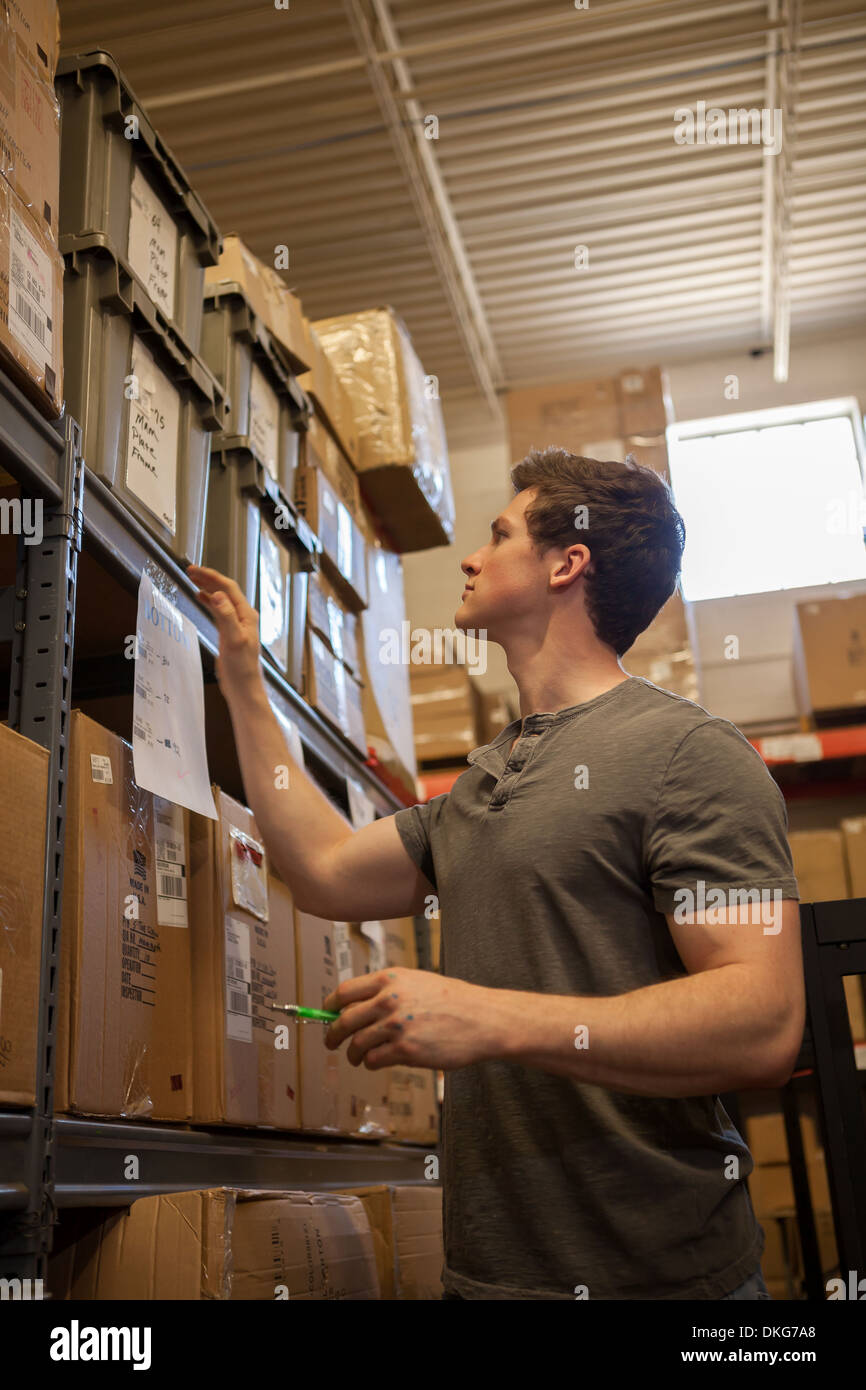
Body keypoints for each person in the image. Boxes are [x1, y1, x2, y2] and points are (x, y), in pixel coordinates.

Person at [187, 446, 804, 1301]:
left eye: (498, 533)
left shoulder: (690, 754)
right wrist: (245, 683)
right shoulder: (482, 782)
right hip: (489, 1278)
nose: (472, 557)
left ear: (566, 562)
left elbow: (764, 1021)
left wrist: (485, 1017)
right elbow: (325, 868)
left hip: (659, 1281)